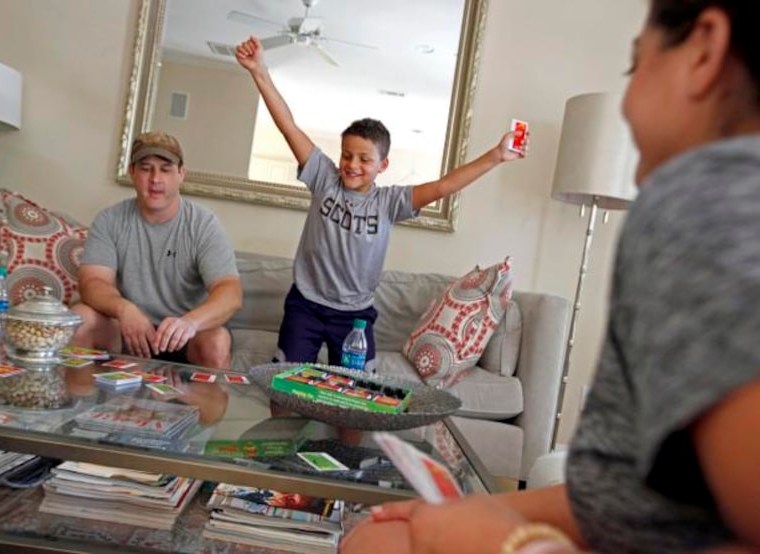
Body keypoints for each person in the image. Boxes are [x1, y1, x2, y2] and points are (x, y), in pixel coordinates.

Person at [340, 0, 760, 552]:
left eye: (636, 67)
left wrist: (512, 541)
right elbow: (627, 494)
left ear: (703, 51)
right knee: (377, 534)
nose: (629, 104)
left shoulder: (706, 199)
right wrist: (486, 508)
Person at [235, 37, 525, 375]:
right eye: (347, 155)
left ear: (382, 166)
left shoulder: (389, 203)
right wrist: (259, 71)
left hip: (354, 317)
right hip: (306, 307)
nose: (352, 165)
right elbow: (288, 124)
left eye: (364, 159)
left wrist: (496, 156)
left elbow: (444, 186)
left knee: (356, 399)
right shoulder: (323, 178)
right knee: (284, 384)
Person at [71, 131, 242, 369]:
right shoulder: (109, 220)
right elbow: (92, 283)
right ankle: (82, 406)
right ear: (132, 172)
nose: (155, 179)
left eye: (165, 169)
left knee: (217, 342)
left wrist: (190, 323)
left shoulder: (203, 224)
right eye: (146, 168)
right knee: (80, 318)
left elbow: (230, 293)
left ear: (181, 174)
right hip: (129, 331)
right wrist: (124, 309)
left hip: (185, 337)